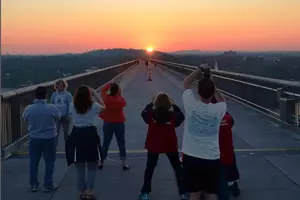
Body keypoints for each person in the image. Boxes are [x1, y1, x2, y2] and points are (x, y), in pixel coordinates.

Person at [181, 64, 227, 200]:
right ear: (212, 93)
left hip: (191, 156)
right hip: (212, 158)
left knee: (194, 193)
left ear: (198, 92)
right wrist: (212, 84)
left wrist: (200, 69)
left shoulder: (191, 105)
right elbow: (222, 100)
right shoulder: (219, 109)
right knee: (211, 193)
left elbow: (186, 83)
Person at [138, 93, 189, 200]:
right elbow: (181, 116)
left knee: (150, 169)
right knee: (177, 168)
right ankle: (183, 192)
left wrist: (151, 104)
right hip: (169, 144)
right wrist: (174, 105)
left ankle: (145, 191)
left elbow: (143, 113)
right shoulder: (173, 116)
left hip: (154, 144)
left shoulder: (151, 115)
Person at [66, 85, 105, 200]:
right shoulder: (94, 106)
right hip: (90, 134)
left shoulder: (72, 105)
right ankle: (89, 191)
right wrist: (96, 95)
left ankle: (82, 191)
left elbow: (70, 118)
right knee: (92, 165)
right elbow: (104, 107)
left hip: (77, 134)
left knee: (80, 166)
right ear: (89, 95)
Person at [22, 86, 61, 192]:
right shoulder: (52, 108)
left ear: (35, 95)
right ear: (46, 95)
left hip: (34, 138)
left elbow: (25, 118)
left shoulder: (29, 108)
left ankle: (34, 184)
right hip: (50, 138)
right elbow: (59, 117)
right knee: (50, 162)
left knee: (34, 162)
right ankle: (48, 184)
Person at [98, 81, 130, 170]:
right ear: (118, 91)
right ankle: (124, 163)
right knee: (121, 142)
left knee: (106, 142)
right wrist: (119, 92)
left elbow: (103, 90)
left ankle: (101, 162)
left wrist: (110, 83)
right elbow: (124, 101)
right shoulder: (120, 100)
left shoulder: (106, 99)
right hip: (119, 123)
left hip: (108, 123)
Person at [50, 79, 73, 147]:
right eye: (58, 84)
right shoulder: (54, 95)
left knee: (66, 133)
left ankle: (67, 147)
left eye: (61, 84)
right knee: (55, 133)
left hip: (65, 116)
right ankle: (54, 147)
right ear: (56, 86)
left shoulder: (68, 94)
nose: (60, 86)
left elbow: (70, 105)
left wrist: (69, 114)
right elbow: (52, 104)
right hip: (57, 117)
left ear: (64, 85)